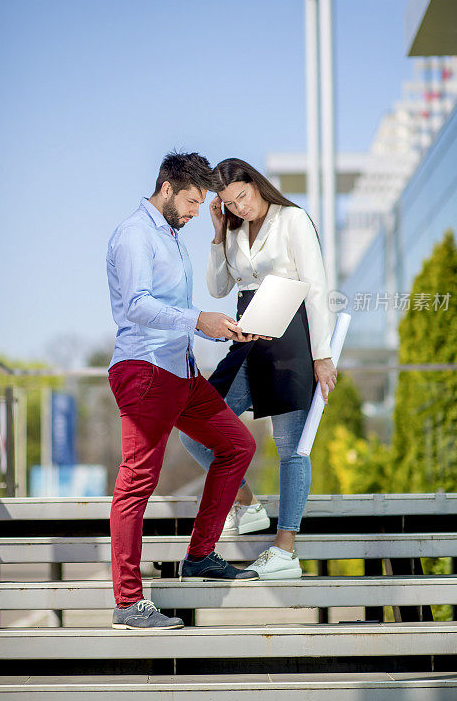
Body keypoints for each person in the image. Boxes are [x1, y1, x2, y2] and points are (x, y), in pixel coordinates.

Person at [107, 151, 266, 632]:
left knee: (238, 445)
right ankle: (128, 602)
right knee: (138, 480)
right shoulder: (136, 234)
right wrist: (200, 320)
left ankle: (199, 555)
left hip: (182, 371)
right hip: (145, 371)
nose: (197, 212)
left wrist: (217, 329)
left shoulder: (171, 237)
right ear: (168, 187)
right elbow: (136, 305)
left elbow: (173, 307)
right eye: (193, 202)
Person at [179, 158, 337, 580]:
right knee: (194, 424)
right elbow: (217, 288)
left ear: (256, 183)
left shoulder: (293, 220)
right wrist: (217, 235)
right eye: (229, 203)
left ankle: (285, 550)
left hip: (290, 337)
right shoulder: (230, 229)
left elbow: (318, 287)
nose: (240, 208)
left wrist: (322, 355)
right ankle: (247, 503)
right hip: (246, 336)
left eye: (243, 197)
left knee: (291, 448)